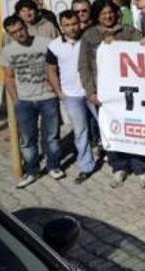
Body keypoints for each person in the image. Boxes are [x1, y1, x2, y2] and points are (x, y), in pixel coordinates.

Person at [77, 0, 145, 188]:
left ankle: (141, 168)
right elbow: (84, 67)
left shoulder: (128, 31)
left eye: (110, 12)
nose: (108, 16)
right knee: (111, 131)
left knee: (134, 129)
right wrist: (91, 92)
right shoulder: (89, 36)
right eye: (103, 13)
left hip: (130, 92)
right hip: (104, 95)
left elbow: (144, 52)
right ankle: (119, 167)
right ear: (97, 16)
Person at [0, 15, 63, 188]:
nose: (19, 34)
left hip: (47, 97)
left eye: (21, 29)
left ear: (26, 26)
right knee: (28, 139)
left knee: (51, 136)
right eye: (14, 32)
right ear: (9, 34)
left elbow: (58, 67)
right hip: (25, 101)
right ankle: (32, 171)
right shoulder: (8, 51)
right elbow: (9, 78)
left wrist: (57, 89)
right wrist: (17, 100)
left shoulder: (45, 43)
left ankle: (54, 166)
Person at [46, 10, 96, 184]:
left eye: (74, 23)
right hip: (71, 96)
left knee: (105, 127)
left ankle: (116, 163)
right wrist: (60, 93)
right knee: (80, 132)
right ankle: (86, 166)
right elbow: (51, 71)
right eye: (67, 25)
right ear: (61, 26)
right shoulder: (54, 46)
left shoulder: (89, 39)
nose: (72, 28)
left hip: (92, 92)